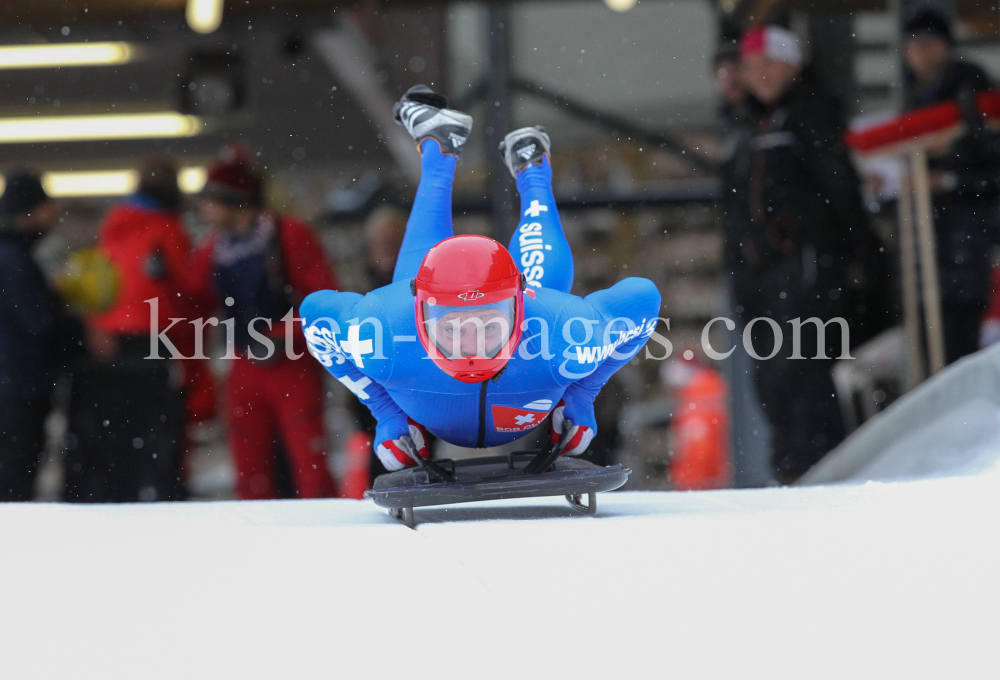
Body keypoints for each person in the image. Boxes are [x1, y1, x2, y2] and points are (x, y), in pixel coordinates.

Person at [301, 86, 661, 473]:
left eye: (488, 325)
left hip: (522, 314)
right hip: (446, 316)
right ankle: (473, 158)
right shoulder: (384, 329)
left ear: (519, 309)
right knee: (425, 271)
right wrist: (385, 412)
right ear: (421, 317)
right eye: (454, 328)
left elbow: (643, 298)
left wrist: (582, 394)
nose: (471, 345)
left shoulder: (562, 331)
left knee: (543, 287)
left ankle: (530, 172)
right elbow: (315, 314)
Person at [729, 25, 867, 483]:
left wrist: (839, 246)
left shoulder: (810, 113)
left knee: (803, 369)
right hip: (762, 276)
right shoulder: (749, 124)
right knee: (770, 376)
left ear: (791, 65)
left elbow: (838, 187)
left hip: (805, 270)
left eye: (769, 63)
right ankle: (791, 471)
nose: (760, 75)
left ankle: (818, 471)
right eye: (751, 67)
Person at [190, 145, 339, 500]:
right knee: (249, 466)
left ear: (234, 200)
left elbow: (328, 302)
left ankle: (330, 530)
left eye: (211, 200)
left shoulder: (289, 236)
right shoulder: (215, 248)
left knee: (309, 463)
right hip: (245, 364)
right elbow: (193, 299)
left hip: (290, 363)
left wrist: (285, 334)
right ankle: (258, 535)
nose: (204, 209)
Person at [65, 158, 191, 502]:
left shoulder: (114, 227)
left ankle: (105, 499)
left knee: (109, 442)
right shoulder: (168, 230)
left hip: (104, 345)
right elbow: (186, 290)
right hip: (152, 343)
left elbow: (97, 283)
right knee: (153, 443)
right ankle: (151, 502)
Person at [902, 9, 1000, 364]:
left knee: (957, 350)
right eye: (912, 44)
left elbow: (991, 169)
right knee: (934, 351)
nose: (919, 52)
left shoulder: (968, 92)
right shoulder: (918, 97)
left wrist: (947, 180)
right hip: (931, 251)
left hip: (963, 249)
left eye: (928, 43)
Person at [0, 172, 84, 501]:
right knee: (14, 479)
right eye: (46, 208)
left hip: (13, 383)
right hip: (17, 387)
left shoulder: (13, 256)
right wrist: (79, 332)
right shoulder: (13, 259)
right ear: (28, 211)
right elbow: (39, 324)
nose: (52, 216)